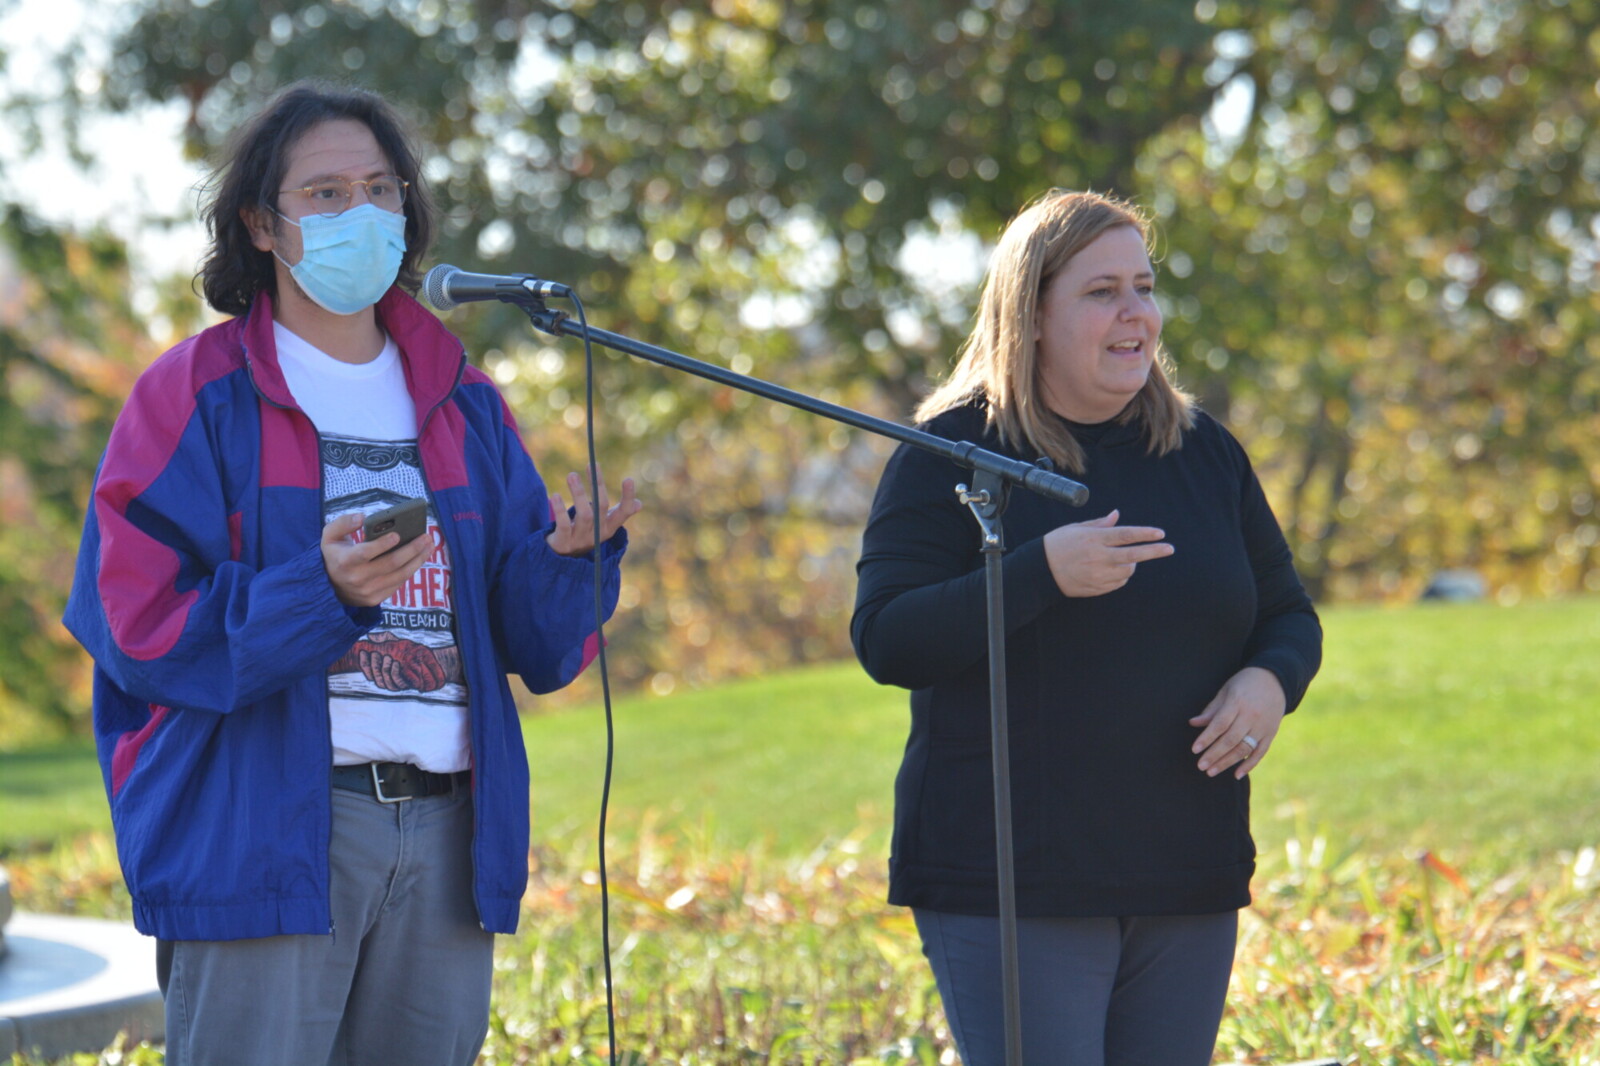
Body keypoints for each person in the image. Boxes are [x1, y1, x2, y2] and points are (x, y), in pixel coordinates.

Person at [63, 81, 641, 1066]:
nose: (360, 212)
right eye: (325, 193)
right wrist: (320, 594)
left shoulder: (465, 399)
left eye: (380, 188)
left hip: (449, 835)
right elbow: (138, 625)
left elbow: (538, 649)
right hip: (270, 831)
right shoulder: (194, 395)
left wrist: (563, 562)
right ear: (260, 224)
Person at [851, 189, 1321, 1065]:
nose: (1135, 313)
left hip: (1186, 869)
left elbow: (1287, 613)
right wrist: (1039, 575)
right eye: (1102, 292)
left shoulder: (1203, 451)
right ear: (1030, 314)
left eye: (1143, 287)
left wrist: (1269, 683)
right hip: (1014, 883)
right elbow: (887, 637)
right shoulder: (951, 456)